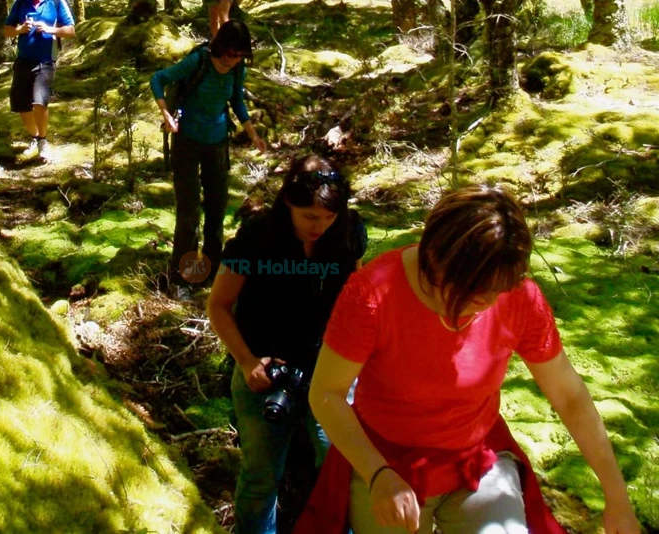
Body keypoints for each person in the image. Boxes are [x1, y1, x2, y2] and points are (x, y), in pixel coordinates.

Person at [295, 185, 641, 534]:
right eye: (476, 290)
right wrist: (377, 473)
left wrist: (617, 499)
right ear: (437, 260)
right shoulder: (373, 293)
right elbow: (326, 393)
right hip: (386, 462)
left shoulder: (519, 298)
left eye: (499, 289)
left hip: (478, 460)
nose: (489, 301)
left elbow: (569, 397)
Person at [207, 155, 368, 534]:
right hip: (263, 373)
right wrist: (247, 362)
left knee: (342, 472)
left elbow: (356, 304)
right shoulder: (258, 235)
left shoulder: (347, 233)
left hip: (328, 372)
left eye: (328, 217)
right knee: (261, 477)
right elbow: (218, 305)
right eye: (310, 217)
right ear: (289, 204)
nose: (319, 226)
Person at [150, 20, 266, 299]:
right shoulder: (198, 61)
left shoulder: (238, 68)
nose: (233, 61)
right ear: (220, 48)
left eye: (240, 56)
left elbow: (236, 100)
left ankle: (213, 270)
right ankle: (181, 277)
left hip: (217, 143)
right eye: (230, 55)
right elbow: (158, 79)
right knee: (189, 212)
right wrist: (165, 113)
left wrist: (252, 134)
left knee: (217, 207)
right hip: (187, 142)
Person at [4, 0, 75, 162]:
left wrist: (50, 30)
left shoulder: (56, 3)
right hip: (22, 62)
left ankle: (43, 141)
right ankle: (34, 137)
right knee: (22, 106)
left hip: (46, 62)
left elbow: (71, 31)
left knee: (39, 102)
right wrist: (20, 29)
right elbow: (6, 31)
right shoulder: (20, 4)